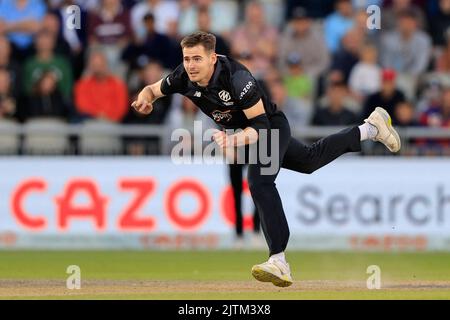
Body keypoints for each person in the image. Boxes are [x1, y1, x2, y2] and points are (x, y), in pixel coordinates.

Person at [131, 31, 401, 288]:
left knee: (259, 182)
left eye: (197, 58)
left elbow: (260, 128)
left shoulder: (238, 78)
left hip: (269, 128)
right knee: (309, 160)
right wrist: (145, 99)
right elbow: (153, 90)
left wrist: (232, 140)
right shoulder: (182, 76)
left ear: (213, 58)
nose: (190, 65)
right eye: (187, 58)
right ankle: (370, 128)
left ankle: (279, 260)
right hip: (242, 134)